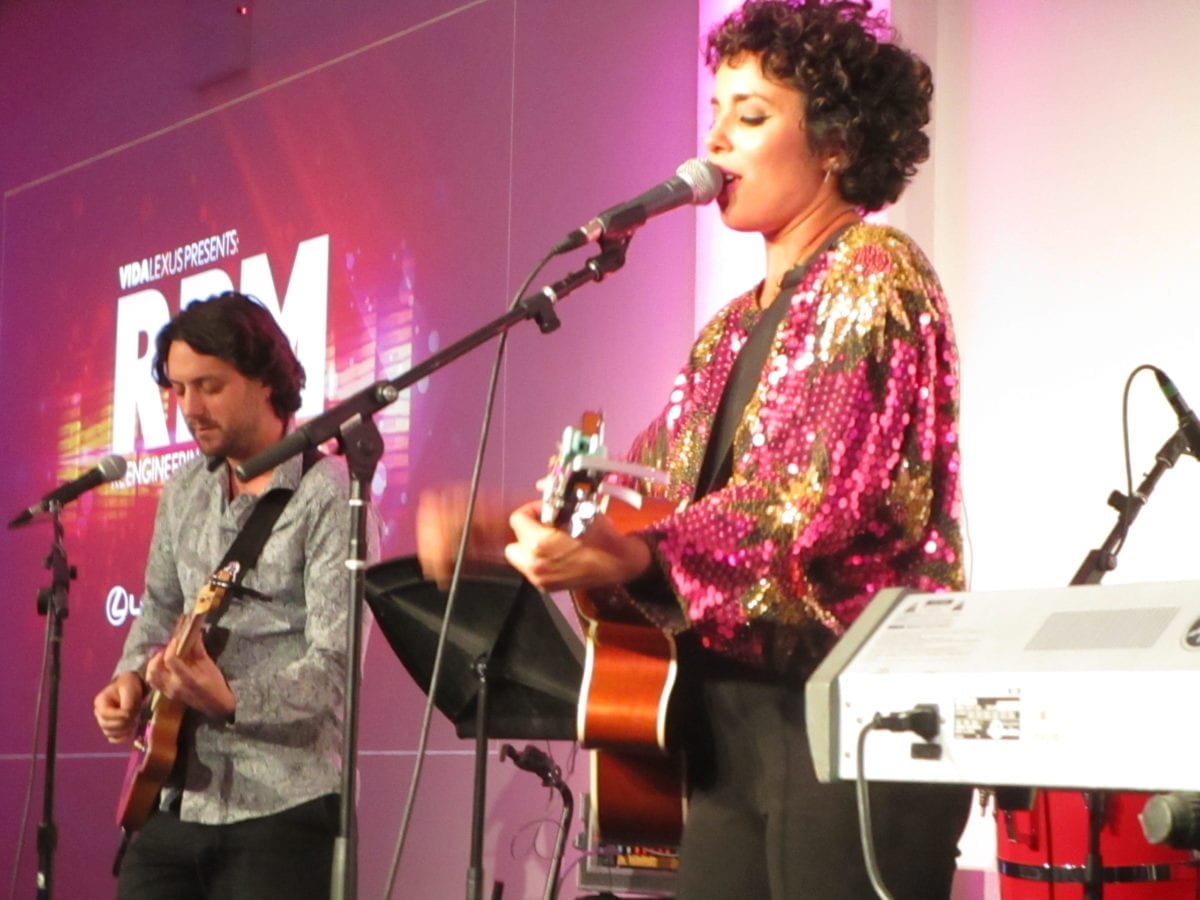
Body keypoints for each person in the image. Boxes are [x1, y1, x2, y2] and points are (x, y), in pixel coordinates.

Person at [421, 1, 972, 897]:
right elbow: (647, 492)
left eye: (749, 115)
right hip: (733, 728)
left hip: (856, 722)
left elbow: (803, 510)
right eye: (715, 111)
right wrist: (509, 526)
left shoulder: (877, 272)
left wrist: (633, 553)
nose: (714, 140)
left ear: (834, 143)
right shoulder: (728, 332)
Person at [93, 291, 371, 900]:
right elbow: (159, 609)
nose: (189, 408)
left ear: (266, 380)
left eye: (209, 387)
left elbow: (335, 669)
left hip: (283, 810)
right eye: (178, 389)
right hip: (173, 797)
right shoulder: (183, 490)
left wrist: (231, 698)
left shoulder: (328, 493)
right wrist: (129, 681)